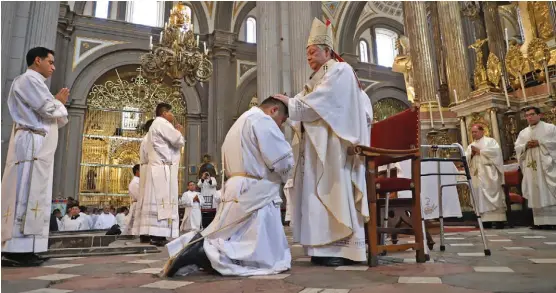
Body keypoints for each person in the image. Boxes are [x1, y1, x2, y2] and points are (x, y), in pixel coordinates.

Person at [274, 18, 372, 266]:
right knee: (317, 195)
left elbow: (323, 102)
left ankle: (341, 249)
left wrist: (290, 104)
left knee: (332, 191)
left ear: (328, 52)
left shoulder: (340, 70)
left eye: (313, 51)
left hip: (335, 149)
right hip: (318, 149)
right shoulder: (316, 79)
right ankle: (321, 248)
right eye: (307, 53)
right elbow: (305, 104)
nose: (308, 57)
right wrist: (287, 107)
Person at [163, 97, 293, 277]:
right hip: (255, 186)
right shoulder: (263, 121)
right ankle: (204, 253)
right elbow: (282, 160)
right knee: (260, 249)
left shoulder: (240, 122)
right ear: (273, 110)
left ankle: (197, 249)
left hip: (236, 184)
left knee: (233, 233)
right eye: (283, 120)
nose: (281, 125)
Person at [1, 47, 69, 267]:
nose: (53, 66)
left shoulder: (37, 83)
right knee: (26, 190)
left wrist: (56, 105)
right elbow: (48, 110)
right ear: (37, 60)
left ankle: (29, 247)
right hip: (30, 143)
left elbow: (54, 116)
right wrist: (58, 101)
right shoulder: (28, 80)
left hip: (38, 142)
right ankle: (16, 249)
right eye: (50, 62)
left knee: (35, 192)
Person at [138, 103, 184, 246]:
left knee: (156, 201)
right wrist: (179, 132)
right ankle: (159, 235)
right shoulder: (162, 123)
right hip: (162, 168)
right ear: (164, 113)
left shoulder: (155, 126)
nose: (173, 115)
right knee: (162, 202)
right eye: (171, 112)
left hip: (156, 168)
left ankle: (152, 233)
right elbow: (178, 141)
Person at [514, 106, 556, 229]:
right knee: (535, 190)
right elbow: (518, 147)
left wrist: (541, 143)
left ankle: (553, 221)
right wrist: (525, 145)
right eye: (527, 115)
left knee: (547, 189)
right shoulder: (523, 132)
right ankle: (539, 222)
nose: (529, 117)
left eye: (532, 114)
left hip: (545, 165)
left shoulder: (550, 128)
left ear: (540, 115)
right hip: (531, 165)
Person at [465, 124, 506, 229]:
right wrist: (471, 155)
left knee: (492, 193)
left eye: (476, 132)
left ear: (482, 131)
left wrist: (480, 151)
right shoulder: (470, 146)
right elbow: (466, 159)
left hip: (489, 174)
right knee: (479, 196)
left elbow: (496, 153)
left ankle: (498, 220)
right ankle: (484, 221)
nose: (474, 134)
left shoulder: (490, 141)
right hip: (477, 175)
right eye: (472, 132)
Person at [132, 119, 154, 243]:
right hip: (150, 170)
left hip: (147, 170)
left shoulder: (147, 139)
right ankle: (147, 233)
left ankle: (146, 233)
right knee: (149, 202)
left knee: (147, 202)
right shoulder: (149, 140)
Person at [124, 164, 140, 235]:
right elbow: (139, 196)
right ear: (137, 171)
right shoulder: (134, 183)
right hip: (137, 205)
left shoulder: (140, 181)